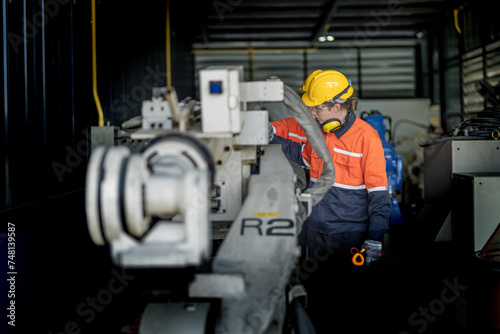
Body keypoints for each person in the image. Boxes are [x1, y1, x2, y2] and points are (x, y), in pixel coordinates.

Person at [270, 70, 392, 333]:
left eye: (316, 109)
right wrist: (270, 137)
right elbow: (298, 153)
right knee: (314, 298)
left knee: (347, 304)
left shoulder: (366, 137)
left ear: (336, 107)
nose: (312, 113)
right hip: (314, 233)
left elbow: (380, 196)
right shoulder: (320, 134)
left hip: (348, 238)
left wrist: (375, 237)